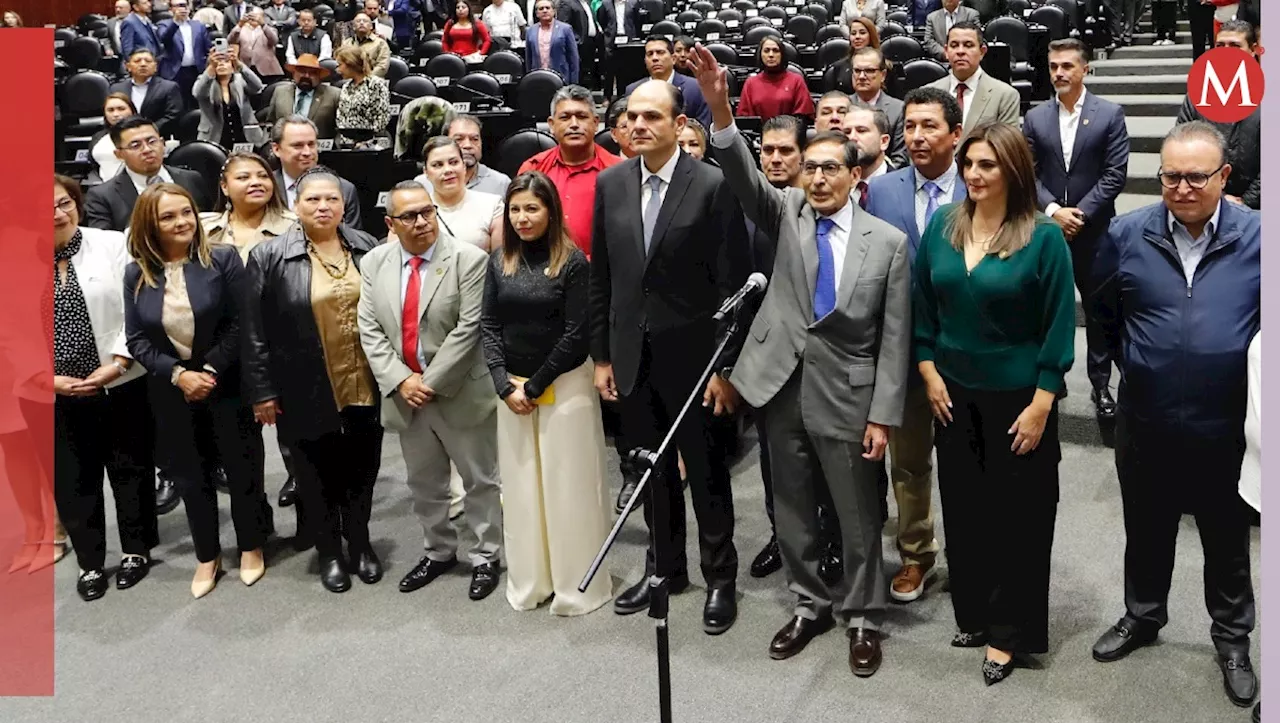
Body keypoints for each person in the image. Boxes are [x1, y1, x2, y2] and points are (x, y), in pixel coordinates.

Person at [688, 44, 909, 676]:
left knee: (858, 514)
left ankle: (863, 617)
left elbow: (894, 337)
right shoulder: (785, 211)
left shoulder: (887, 243)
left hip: (848, 393)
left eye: (828, 169)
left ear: (854, 176)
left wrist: (883, 415)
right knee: (789, 505)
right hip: (780, 385)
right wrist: (720, 109)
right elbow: (741, 173)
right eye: (808, 168)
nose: (815, 178)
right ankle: (809, 604)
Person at [1090, 121, 1260, 709]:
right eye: (1170, 177)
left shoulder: (1261, 238)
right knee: (1147, 528)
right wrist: (1117, 373)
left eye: (1195, 177)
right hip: (1148, 419)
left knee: (1226, 538)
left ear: (1224, 176)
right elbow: (1104, 312)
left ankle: (1233, 640)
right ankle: (1143, 616)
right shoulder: (1127, 233)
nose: (1181, 188)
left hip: (1228, 425)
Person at [914, 121, 1076, 685]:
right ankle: (976, 613)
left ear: (1013, 171)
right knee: (965, 511)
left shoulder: (1043, 237)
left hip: (1019, 399)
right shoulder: (942, 226)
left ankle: (1010, 633)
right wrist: (929, 371)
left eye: (988, 165)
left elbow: (1059, 329)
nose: (975, 175)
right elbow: (922, 310)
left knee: (1020, 520)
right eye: (969, 164)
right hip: (952, 394)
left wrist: (1042, 404)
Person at [589, 79, 749, 633]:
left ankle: (720, 577)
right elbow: (604, 280)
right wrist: (602, 357)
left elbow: (732, 287)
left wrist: (725, 369)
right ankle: (665, 569)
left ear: (679, 124)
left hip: (696, 359)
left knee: (705, 472)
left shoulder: (710, 185)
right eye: (631, 116)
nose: (638, 125)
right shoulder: (610, 184)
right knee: (649, 470)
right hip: (633, 355)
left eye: (652, 116)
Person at [357, 180, 505, 602]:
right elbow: (369, 329)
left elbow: (469, 328)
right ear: (390, 223)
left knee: (479, 481)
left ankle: (485, 556)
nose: (422, 222)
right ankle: (438, 551)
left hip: (456, 391)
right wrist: (402, 380)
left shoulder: (469, 259)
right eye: (410, 216)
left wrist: (429, 381)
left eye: (427, 212)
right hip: (406, 395)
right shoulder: (374, 263)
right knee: (424, 483)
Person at [122, 183, 272, 599]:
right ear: (149, 224)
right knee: (191, 476)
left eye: (186, 212)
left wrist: (206, 369)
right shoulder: (137, 272)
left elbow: (241, 323)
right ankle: (208, 554)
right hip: (171, 392)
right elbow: (136, 339)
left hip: (225, 382)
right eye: (168, 217)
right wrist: (178, 374)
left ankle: (250, 545)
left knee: (243, 468)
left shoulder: (221, 259)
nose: (181, 222)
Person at [243, 168, 384, 592]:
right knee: (314, 474)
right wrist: (263, 390)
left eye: (332, 200)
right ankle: (329, 552)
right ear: (295, 207)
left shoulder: (366, 246)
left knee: (363, 469)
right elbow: (253, 331)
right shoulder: (268, 256)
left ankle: (359, 542)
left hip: (364, 382)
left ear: (344, 206)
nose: (324, 207)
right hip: (303, 384)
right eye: (313, 201)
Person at [481, 171, 612, 615]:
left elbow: (578, 333)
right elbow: (490, 326)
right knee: (521, 488)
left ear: (551, 211)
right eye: (515, 209)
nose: (522, 218)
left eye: (531, 208)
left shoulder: (574, 262)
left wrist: (536, 386)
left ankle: (576, 587)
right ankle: (532, 581)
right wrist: (503, 384)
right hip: (512, 391)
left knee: (567, 487)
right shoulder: (499, 260)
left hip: (565, 384)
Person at [863, 86, 964, 604]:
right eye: (910, 127)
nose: (918, 136)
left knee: (973, 462)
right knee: (908, 463)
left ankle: (973, 557)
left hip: (967, 352)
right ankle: (916, 555)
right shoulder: (882, 191)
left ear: (956, 134)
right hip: (902, 351)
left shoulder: (981, 185)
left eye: (929, 126)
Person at [50, 175, 157, 602]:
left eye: (64, 203)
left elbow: (140, 308)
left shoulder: (113, 243)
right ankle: (90, 561)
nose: (57, 214)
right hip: (54, 391)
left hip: (120, 379)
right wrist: (47, 378)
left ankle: (136, 550)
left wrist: (117, 362)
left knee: (129, 467)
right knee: (73, 479)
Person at [1023, 38, 1129, 423]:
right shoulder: (1035, 118)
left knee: (1099, 312)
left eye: (1067, 66)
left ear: (1086, 69)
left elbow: (1115, 174)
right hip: (1049, 230)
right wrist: (1053, 211)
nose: (1059, 73)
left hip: (1095, 229)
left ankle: (1101, 385)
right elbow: (1029, 174)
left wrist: (1077, 215)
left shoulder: (1109, 114)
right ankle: (1054, 377)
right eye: (1053, 67)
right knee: (1048, 307)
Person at [517, 85, 622, 255]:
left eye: (581, 117)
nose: (574, 124)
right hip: (544, 270)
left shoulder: (619, 171)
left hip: (601, 273)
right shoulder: (533, 169)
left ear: (596, 123)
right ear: (551, 124)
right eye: (565, 117)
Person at [1175, 19, 1261, 210]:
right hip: (1205, 200)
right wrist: (1217, 196)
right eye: (1220, 45)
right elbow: (1182, 144)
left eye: (1235, 46)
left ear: (1253, 50)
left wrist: (1245, 201)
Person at [83, 116, 213, 231]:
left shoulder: (192, 179)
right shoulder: (102, 196)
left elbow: (211, 223)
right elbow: (106, 245)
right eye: (135, 145)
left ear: (162, 144)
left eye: (152, 142)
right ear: (119, 154)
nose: (147, 149)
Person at [926, 21, 1021, 138]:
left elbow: (1007, 145)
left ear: (982, 52)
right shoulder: (929, 93)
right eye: (954, 45)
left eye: (968, 45)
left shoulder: (1005, 96)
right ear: (946, 51)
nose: (960, 51)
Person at [414, 136, 503, 250]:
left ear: (464, 166)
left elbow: (500, 264)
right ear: (426, 172)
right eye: (438, 165)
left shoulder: (493, 205)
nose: (448, 170)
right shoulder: (414, 211)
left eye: (454, 162)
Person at [270, 116, 363, 227]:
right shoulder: (267, 187)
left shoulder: (344, 189)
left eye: (311, 144)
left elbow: (354, 239)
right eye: (298, 146)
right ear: (276, 149)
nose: (307, 152)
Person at [625, 36, 712, 128]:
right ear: (645, 61)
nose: (655, 58)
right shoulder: (633, 90)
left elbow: (703, 129)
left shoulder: (695, 88)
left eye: (660, 53)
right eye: (650, 54)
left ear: (673, 58)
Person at [192, 48, 266, 148]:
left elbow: (258, 86)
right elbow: (198, 93)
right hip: (214, 139)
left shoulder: (240, 80)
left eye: (226, 61)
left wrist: (239, 64)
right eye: (218, 62)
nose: (221, 64)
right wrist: (211, 67)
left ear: (232, 67)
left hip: (245, 137)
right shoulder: (205, 82)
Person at [845, 47, 905, 168]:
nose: (861, 76)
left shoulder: (898, 109)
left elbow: (900, 158)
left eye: (869, 70)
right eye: (857, 71)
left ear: (882, 75)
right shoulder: (842, 106)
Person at [108, 49, 185, 139]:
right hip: (124, 136)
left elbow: (173, 116)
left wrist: (147, 131)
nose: (143, 64)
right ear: (128, 66)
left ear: (155, 66)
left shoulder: (169, 87)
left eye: (148, 61)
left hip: (158, 136)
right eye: (137, 61)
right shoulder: (116, 88)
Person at [735, 37, 815, 122]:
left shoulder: (796, 80)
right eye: (766, 51)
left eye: (775, 51)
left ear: (782, 55)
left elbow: (803, 117)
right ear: (760, 55)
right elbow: (744, 119)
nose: (771, 55)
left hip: (789, 133)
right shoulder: (750, 83)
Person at [262, 54, 342, 139]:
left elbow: (341, 129)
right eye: (302, 71)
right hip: (286, 147)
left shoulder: (334, 95)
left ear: (319, 77)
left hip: (320, 149)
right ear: (294, 73)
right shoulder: (279, 92)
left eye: (312, 73)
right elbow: (270, 124)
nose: (306, 76)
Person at [156, 0, 212, 104]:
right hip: (175, 72)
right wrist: (176, 22)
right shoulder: (163, 24)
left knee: (197, 102)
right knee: (177, 104)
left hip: (196, 70)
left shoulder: (199, 25)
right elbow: (164, 39)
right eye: (178, 6)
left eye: (184, 5)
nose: (182, 8)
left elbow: (208, 48)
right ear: (170, 9)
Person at [334, 44, 391, 145]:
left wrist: (365, 143)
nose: (337, 70)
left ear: (350, 63)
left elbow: (382, 119)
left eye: (340, 65)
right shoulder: (346, 87)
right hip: (346, 143)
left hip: (372, 144)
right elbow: (341, 117)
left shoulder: (376, 84)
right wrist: (347, 142)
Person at [446, 114, 512, 196]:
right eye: (459, 139)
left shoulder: (501, 183)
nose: (468, 145)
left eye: (474, 139)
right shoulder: (428, 183)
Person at [88, 93, 138, 184]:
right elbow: (94, 164)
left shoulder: (142, 133)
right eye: (110, 110)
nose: (116, 114)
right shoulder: (98, 137)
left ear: (132, 111)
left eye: (121, 109)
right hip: (107, 188)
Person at [843, 103, 893, 193]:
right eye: (847, 132)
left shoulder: (906, 188)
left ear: (884, 141)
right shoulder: (834, 186)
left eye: (861, 131)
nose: (852, 137)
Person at [525, 0, 579, 83]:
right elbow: (529, 58)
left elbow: (573, 57)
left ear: (554, 11)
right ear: (537, 13)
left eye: (547, 8)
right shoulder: (530, 31)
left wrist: (574, 82)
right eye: (541, 8)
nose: (545, 10)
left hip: (561, 78)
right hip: (538, 78)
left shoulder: (565, 29)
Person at [229, 6, 284, 80]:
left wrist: (263, 24)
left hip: (267, 70)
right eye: (251, 16)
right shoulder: (241, 30)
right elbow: (230, 40)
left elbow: (274, 41)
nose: (254, 18)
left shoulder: (270, 29)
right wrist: (240, 24)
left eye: (256, 16)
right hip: (246, 68)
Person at [556, 0, 601, 86]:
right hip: (577, 44)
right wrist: (576, 40)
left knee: (587, 72)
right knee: (578, 73)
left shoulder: (586, 3)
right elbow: (564, 24)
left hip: (590, 43)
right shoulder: (566, 3)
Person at [340, 12, 392, 77]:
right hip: (349, 79)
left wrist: (365, 78)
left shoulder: (381, 43)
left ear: (371, 26)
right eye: (358, 21)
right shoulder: (346, 43)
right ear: (353, 27)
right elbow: (341, 64)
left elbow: (382, 67)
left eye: (365, 21)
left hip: (373, 81)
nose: (361, 23)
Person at [120, 0, 162, 69]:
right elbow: (127, 48)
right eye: (144, 3)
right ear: (136, 7)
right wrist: (132, 66)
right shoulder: (129, 22)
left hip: (152, 62)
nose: (149, 4)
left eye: (148, 2)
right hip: (140, 66)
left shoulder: (147, 20)